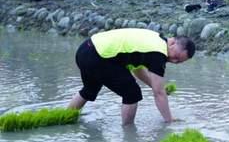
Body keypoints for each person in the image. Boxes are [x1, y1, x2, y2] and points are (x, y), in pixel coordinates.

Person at [67, 29, 195, 126]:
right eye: (176, 56)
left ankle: (65, 117)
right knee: (132, 93)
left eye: (179, 62)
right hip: (98, 57)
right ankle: (129, 134)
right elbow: (159, 94)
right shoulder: (159, 53)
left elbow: (137, 70)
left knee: (90, 89)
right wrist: (169, 120)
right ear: (172, 42)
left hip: (85, 50)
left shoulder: (154, 39)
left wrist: (155, 86)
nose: (173, 61)